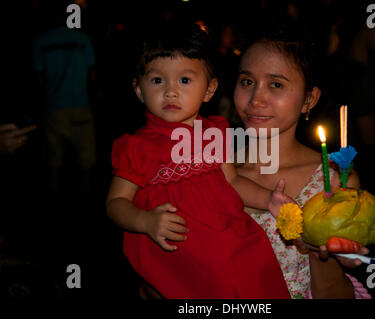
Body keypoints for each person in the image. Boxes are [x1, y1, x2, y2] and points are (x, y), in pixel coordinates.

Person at [105, 23, 293, 299]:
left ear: (209, 89)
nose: (171, 91)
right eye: (157, 80)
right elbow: (115, 203)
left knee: (256, 263)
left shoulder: (215, 131)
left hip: (224, 235)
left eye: (184, 80)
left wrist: (268, 200)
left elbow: (232, 181)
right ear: (139, 89)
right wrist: (145, 221)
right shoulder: (138, 146)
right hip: (178, 244)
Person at [233, 25, 371, 299]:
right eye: (247, 81)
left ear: (309, 99)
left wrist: (317, 249)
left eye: (276, 84)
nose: (255, 99)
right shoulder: (210, 167)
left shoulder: (330, 181)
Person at [32, 3, 97, 193]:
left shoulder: (39, 41)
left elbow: (39, 79)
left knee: (54, 161)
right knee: (86, 160)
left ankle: (54, 196)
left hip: (53, 107)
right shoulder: (83, 39)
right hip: (81, 105)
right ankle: (88, 197)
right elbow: (92, 76)